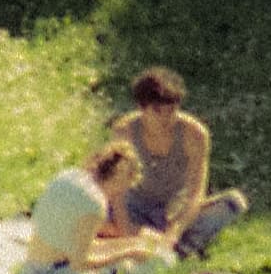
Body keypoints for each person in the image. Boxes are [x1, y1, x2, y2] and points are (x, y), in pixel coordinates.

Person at [9, 138, 172, 274]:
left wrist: (129, 244)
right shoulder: (95, 204)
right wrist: (128, 252)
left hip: (29, 273)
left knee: (124, 255)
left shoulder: (69, 175)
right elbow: (80, 262)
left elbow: (75, 244)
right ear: (119, 180)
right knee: (119, 271)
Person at [105, 66, 249, 257]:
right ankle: (138, 246)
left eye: (171, 110)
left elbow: (196, 191)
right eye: (157, 111)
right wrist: (126, 230)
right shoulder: (125, 131)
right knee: (93, 208)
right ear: (142, 109)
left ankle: (179, 248)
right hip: (134, 207)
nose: (165, 118)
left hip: (173, 210)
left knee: (234, 202)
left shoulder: (194, 134)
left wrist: (174, 231)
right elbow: (116, 189)